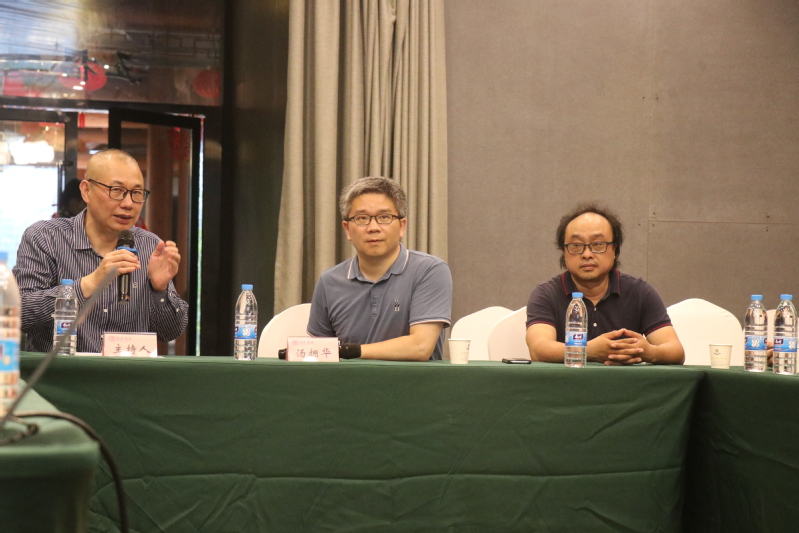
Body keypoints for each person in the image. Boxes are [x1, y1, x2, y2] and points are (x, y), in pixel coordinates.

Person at [14, 149, 188, 353]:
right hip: (60, 372)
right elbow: (20, 314)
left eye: (136, 193)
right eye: (116, 190)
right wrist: (89, 283)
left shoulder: (151, 246)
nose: (128, 204)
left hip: (127, 372)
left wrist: (160, 290)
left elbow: (170, 332)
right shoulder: (45, 237)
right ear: (86, 191)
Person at [307, 176, 452, 361]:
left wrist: (351, 351)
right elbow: (320, 354)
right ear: (347, 229)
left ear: (402, 226)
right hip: (347, 380)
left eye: (384, 217)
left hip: (415, 380)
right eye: (362, 218)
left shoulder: (429, 271)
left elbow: (420, 347)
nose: (373, 227)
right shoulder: (329, 281)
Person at [526, 204, 684, 365]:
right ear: (564, 252)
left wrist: (647, 352)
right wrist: (589, 350)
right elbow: (538, 349)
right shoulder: (546, 294)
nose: (587, 254)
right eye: (576, 245)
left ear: (614, 250)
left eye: (598, 244)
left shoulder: (640, 292)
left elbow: (675, 351)